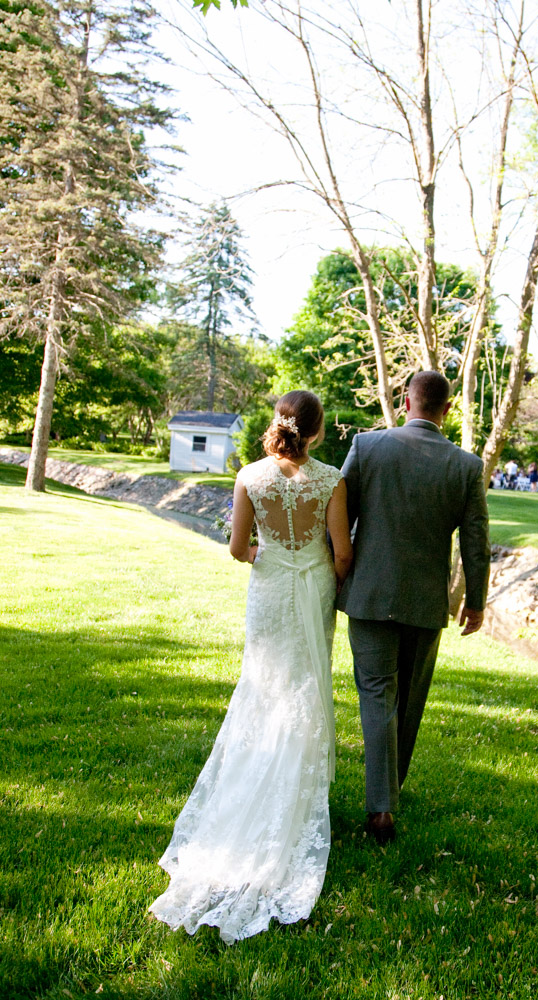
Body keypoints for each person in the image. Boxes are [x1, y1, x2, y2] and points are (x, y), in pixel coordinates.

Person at [149, 389, 352, 944]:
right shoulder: (332, 479)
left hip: (268, 592)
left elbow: (239, 548)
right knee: (305, 686)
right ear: (317, 430)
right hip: (312, 591)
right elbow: (341, 554)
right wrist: (320, 567)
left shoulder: (249, 476)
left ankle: (257, 775)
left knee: (263, 687)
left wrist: (270, 556)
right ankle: (294, 783)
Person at [337, 370, 490, 846]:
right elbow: (477, 543)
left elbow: (338, 517)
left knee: (377, 694)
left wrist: (334, 574)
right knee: (409, 702)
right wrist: (476, 602)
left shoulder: (366, 447)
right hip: (425, 602)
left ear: (406, 401)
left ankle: (382, 805)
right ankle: (389, 794)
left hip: (367, 594)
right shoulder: (467, 466)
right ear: (447, 410)